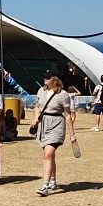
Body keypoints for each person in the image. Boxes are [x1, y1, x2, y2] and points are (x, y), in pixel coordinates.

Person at [30, 67, 80, 197]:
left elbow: (68, 115)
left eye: (48, 77)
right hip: (43, 125)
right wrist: (35, 118)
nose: (45, 79)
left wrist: (72, 134)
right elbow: (38, 106)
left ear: (55, 79)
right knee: (49, 156)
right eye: (45, 77)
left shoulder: (62, 95)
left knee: (47, 155)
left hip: (57, 125)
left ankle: (45, 186)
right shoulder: (41, 91)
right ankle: (53, 181)